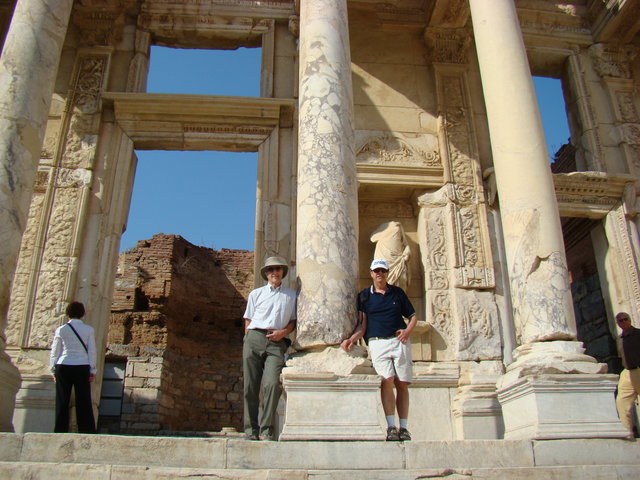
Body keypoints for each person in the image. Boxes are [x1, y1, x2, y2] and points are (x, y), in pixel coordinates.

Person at [341, 258, 418, 441]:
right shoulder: (365, 296)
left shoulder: (397, 293)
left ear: (387, 273)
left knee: (402, 383)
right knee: (387, 380)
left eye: (382, 271)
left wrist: (407, 331)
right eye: (376, 271)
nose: (379, 274)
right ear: (371, 273)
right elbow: (363, 324)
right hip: (377, 342)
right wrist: (352, 339)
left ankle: (404, 427)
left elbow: (413, 316)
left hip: (398, 341)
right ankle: (391, 426)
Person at [243, 256, 297, 440]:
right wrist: (248, 338)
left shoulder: (291, 295)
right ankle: (251, 429)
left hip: (277, 341)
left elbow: (293, 322)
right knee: (250, 385)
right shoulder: (255, 294)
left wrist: (283, 333)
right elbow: (248, 319)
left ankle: (266, 429)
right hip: (255, 337)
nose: (275, 272)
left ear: (283, 272)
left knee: (273, 384)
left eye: (278, 269)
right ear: (266, 274)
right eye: (271, 269)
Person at [49, 301, 97, 433]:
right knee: (83, 399)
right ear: (82, 314)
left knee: (62, 399)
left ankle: (60, 429)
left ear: (67, 313)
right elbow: (92, 351)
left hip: (63, 364)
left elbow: (55, 351)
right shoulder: (89, 330)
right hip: (82, 365)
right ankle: (87, 430)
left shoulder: (61, 329)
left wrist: (53, 369)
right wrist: (92, 370)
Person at [615, 311, 640, 439]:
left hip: (639, 369)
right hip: (627, 372)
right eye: (621, 320)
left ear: (630, 320)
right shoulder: (619, 339)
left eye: (626, 319)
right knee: (621, 401)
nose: (624, 322)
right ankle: (627, 433)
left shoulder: (638, 334)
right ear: (617, 323)